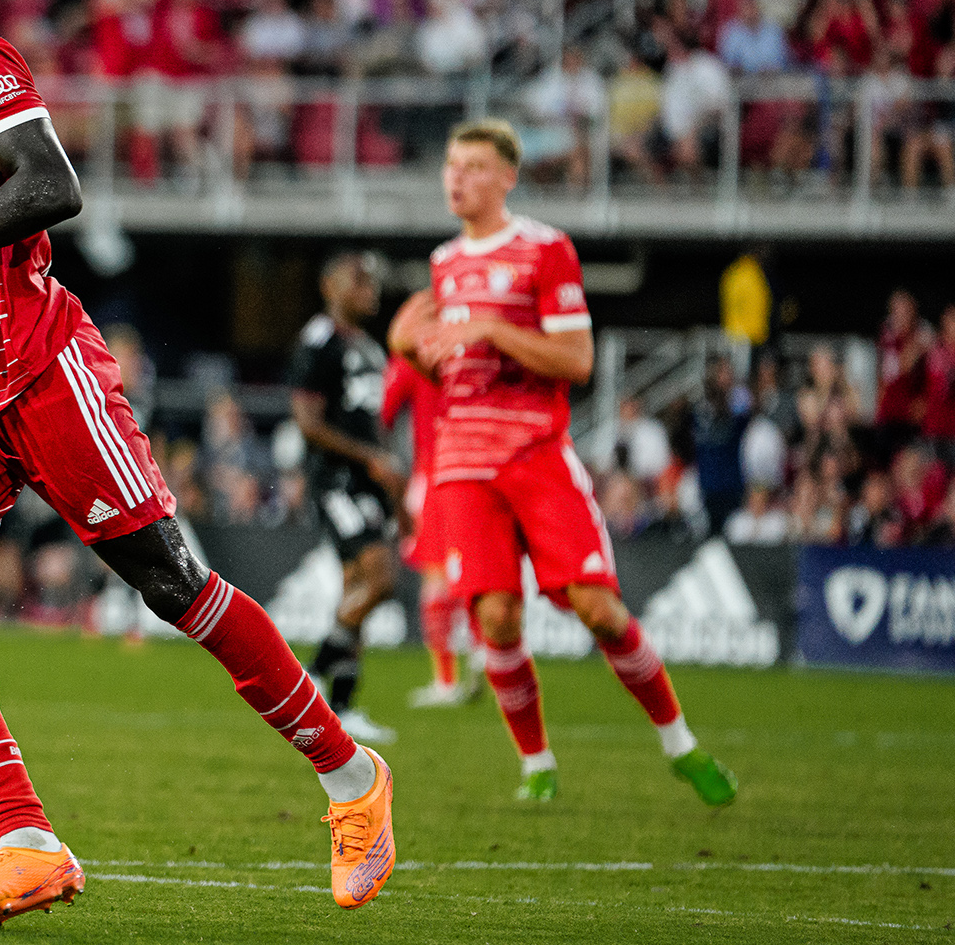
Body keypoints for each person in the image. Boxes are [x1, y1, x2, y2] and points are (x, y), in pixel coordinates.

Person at [0, 0, 394, 927]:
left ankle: (351, 778)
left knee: (175, 585)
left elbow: (50, 185)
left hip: (36, 366)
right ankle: (27, 841)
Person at [388, 119, 736, 807]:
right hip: (461, 464)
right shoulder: (443, 263)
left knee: (599, 610)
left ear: (508, 177)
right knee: (494, 621)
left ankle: (680, 744)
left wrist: (491, 327)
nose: (456, 178)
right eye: (451, 166)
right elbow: (446, 367)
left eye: (474, 166)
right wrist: (404, 346)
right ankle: (537, 765)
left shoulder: (545, 249)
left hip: (535, 453)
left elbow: (576, 361)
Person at [285, 252, 400, 743]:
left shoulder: (373, 350)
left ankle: (342, 705)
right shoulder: (320, 341)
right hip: (336, 480)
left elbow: (373, 420)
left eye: (372, 280)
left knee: (356, 585)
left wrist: (385, 469)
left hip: (366, 483)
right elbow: (308, 423)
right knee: (380, 579)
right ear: (329, 285)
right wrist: (368, 457)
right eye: (357, 280)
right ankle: (310, 675)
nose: (369, 287)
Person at [383, 353, 480, 707]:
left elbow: (383, 408)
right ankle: (483, 654)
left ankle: (446, 679)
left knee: (435, 574)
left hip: (437, 468)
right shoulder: (475, 341)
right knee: (475, 568)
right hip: (480, 469)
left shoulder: (415, 348)